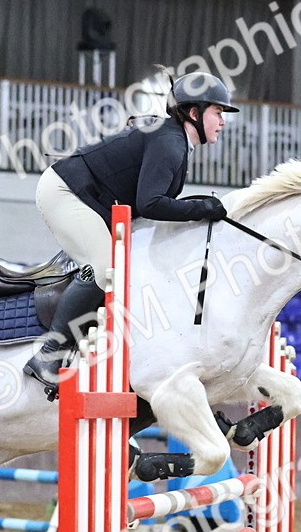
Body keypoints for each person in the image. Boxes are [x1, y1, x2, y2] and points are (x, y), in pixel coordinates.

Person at [21, 71, 239, 395]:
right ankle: (48, 357)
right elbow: (150, 203)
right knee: (107, 272)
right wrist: (205, 209)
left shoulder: (175, 140)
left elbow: (156, 203)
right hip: (66, 192)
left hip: (92, 200)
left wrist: (201, 207)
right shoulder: (170, 141)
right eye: (218, 112)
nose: (223, 121)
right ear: (195, 113)